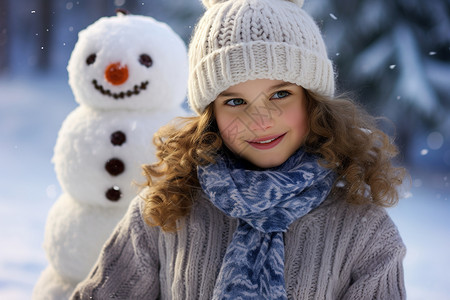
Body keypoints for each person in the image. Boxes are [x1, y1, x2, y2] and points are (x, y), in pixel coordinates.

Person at [71, 0, 408, 299]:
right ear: (210, 115)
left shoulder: (365, 233)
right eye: (235, 101)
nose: (260, 120)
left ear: (313, 100)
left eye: (280, 94)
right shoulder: (166, 211)